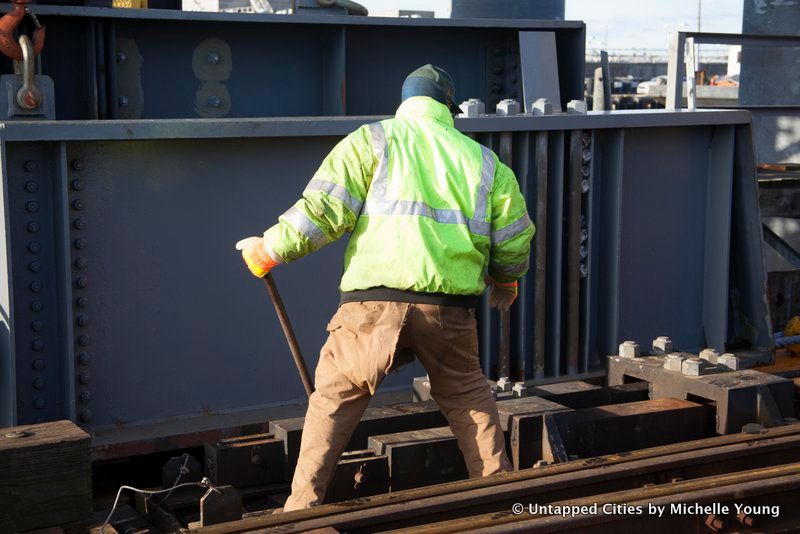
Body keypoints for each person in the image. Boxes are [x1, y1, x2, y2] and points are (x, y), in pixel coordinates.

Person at [236, 64, 534, 510]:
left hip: (370, 307)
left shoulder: (371, 141)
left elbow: (322, 211)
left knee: (333, 402)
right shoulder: (485, 162)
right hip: (448, 309)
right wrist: (505, 279)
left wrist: (269, 250)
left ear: (405, 102)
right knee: (470, 398)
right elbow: (513, 238)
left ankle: (301, 508)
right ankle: (497, 498)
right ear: (448, 108)